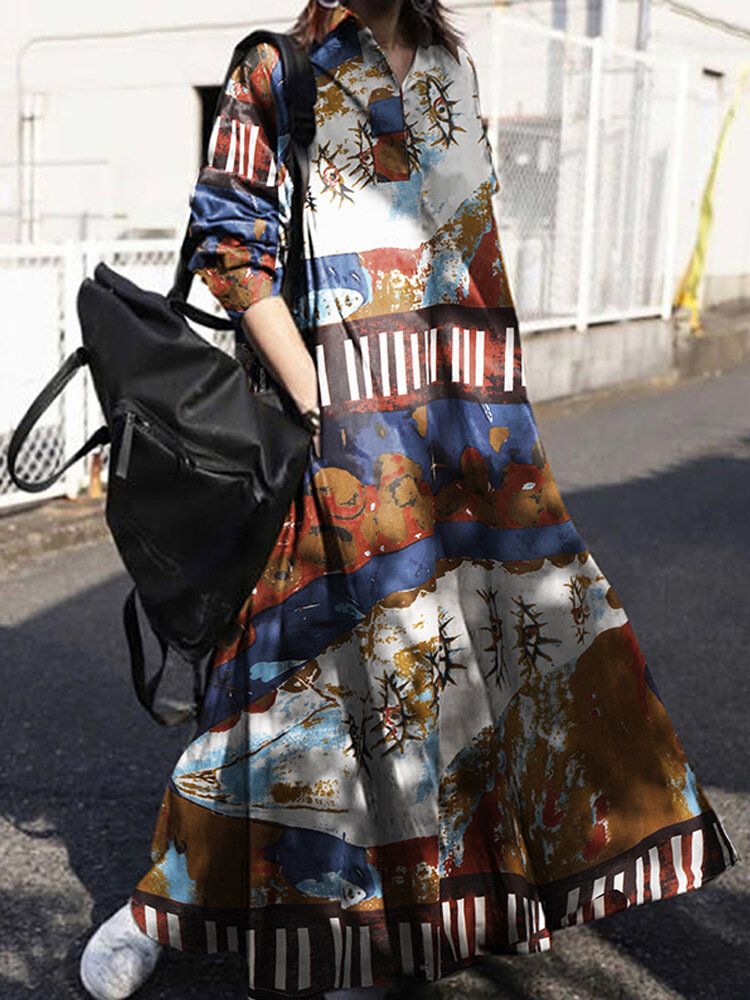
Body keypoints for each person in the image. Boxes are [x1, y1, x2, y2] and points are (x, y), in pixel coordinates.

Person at [80, 2, 741, 999]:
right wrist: (318, 404)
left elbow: (471, 252)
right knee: (285, 692)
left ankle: (427, 912)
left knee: (466, 677)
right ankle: (161, 907)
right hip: (339, 437)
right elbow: (232, 251)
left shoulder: (448, 69)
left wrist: (501, 414)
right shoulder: (279, 70)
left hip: (467, 429)